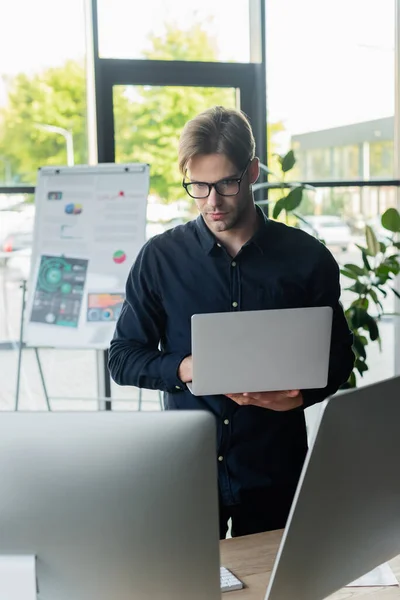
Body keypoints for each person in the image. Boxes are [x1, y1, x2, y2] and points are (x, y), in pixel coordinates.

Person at [108, 106, 354, 539]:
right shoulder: (160, 258)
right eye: (198, 186)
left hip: (275, 469)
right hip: (189, 471)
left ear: (253, 171)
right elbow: (123, 358)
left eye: (225, 183)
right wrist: (185, 368)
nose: (212, 202)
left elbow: (339, 358)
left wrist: (299, 397)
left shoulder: (307, 258)